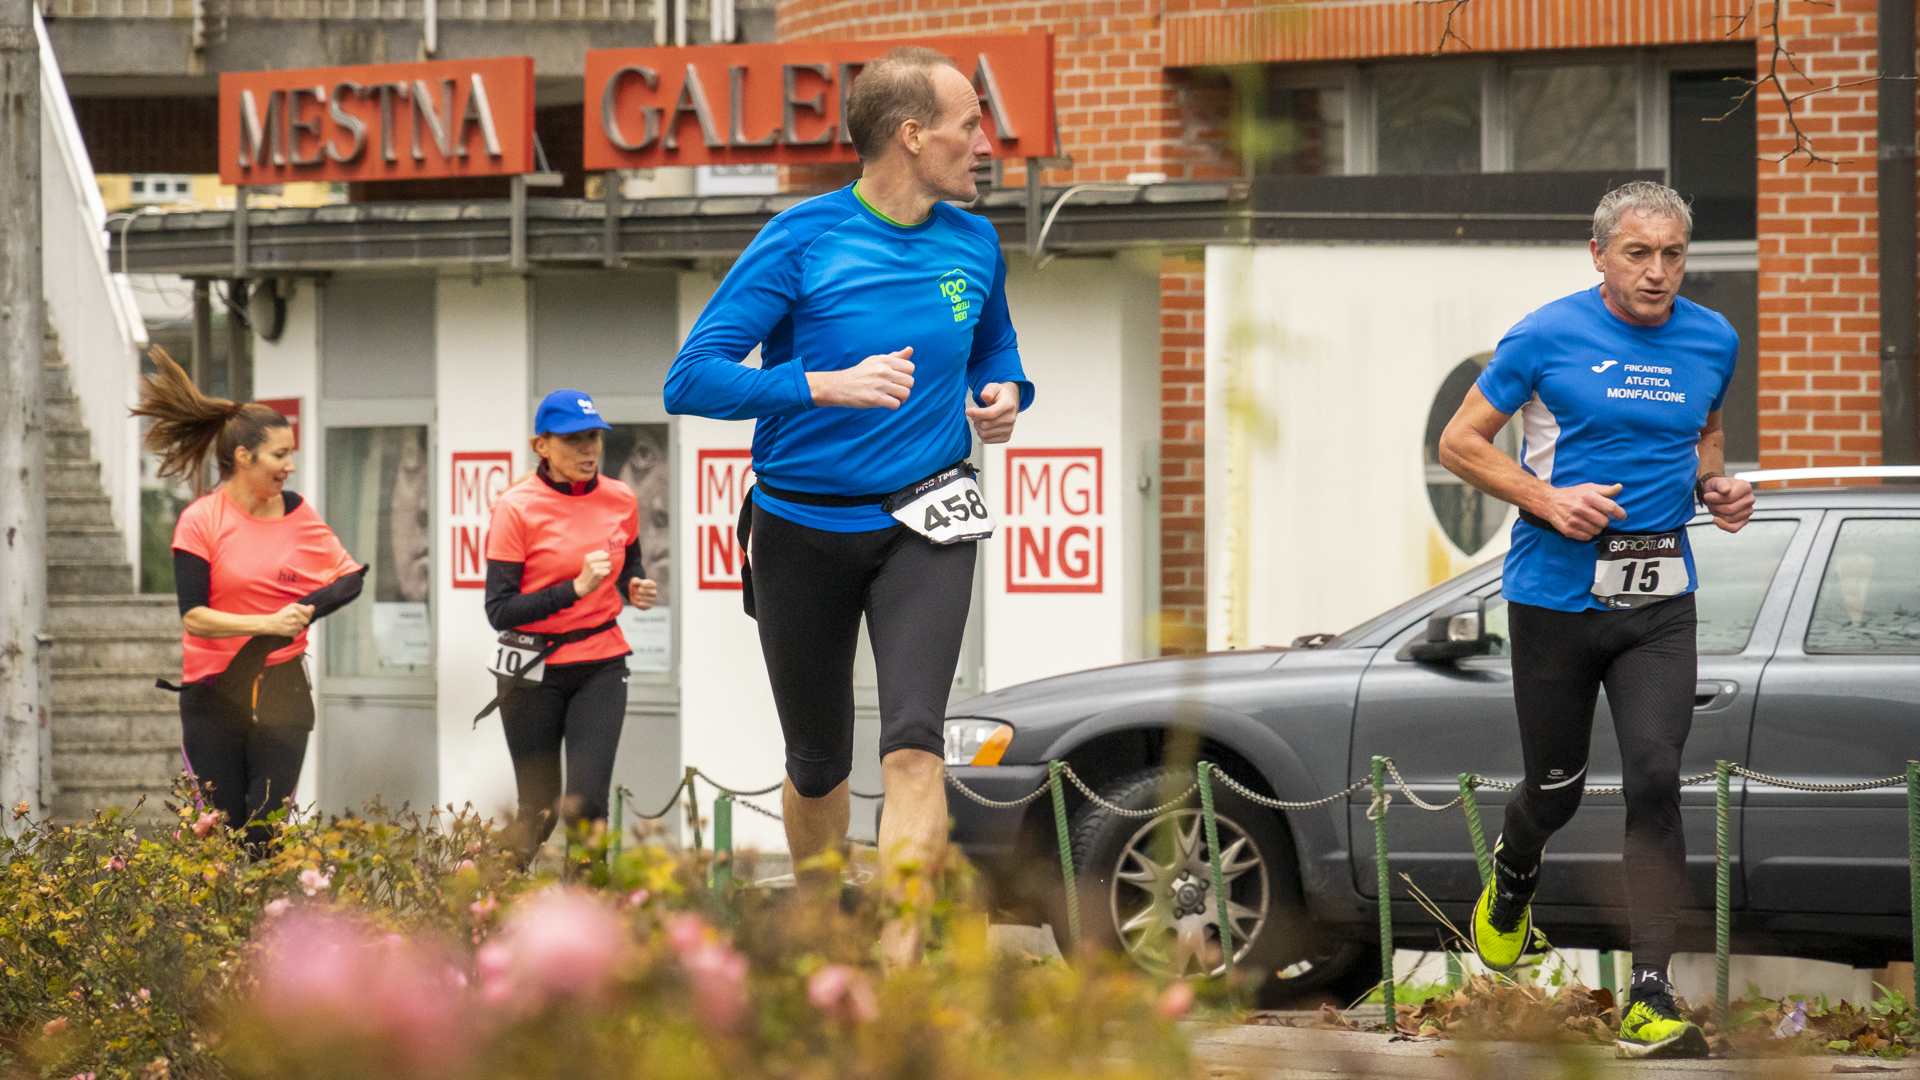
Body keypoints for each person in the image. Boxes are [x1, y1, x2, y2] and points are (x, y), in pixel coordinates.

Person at [665, 46, 1032, 968]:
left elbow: (994, 347)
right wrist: (817, 384)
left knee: (914, 747)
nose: (985, 142)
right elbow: (691, 377)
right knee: (819, 762)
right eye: (969, 124)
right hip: (802, 528)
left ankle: (899, 979)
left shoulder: (974, 242)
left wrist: (1005, 394)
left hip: (927, 519)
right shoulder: (802, 237)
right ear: (912, 136)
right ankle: (826, 935)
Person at [1438, 181, 1754, 1059]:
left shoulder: (1713, 338)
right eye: (1638, 253)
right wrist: (1546, 498)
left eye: (1673, 255)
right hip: (1554, 597)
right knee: (1555, 791)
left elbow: (1704, 435)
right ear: (1599, 255)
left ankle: (1650, 994)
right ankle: (1512, 877)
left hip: (1659, 601)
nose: (1657, 272)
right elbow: (1459, 443)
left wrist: (1717, 487)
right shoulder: (1544, 335)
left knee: (1656, 776)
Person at [133, 348, 366, 851]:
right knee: (222, 833)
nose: (290, 466)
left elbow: (349, 578)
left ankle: (268, 903)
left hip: (283, 688)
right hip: (213, 693)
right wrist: (268, 623)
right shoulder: (201, 520)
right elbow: (194, 618)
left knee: (264, 834)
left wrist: (305, 611)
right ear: (244, 457)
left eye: (290, 454)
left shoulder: (300, 515)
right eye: (280, 455)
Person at [482, 390, 658, 866]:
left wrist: (633, 585)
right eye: (573, 439)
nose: (588, 449)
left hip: (601, 663)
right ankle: (477, 895)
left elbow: (628, 561)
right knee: (538, 814)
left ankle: (586, 910)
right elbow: (499, 609)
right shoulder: (515, 508)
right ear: (541, 446)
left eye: (594, 438)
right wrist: (573, 590)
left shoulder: (620, 497)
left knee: (587, 808)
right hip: (531, 669)